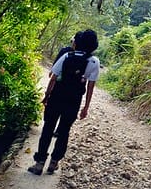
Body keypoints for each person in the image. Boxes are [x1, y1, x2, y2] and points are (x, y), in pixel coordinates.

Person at [28, 29, 100, 175]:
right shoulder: (94, 62)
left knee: (48, 129)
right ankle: (54, 163)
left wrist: (47, 96)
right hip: (73, 101)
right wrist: (85, 107)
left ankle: (39, 163)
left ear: (77, 42)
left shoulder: (67, 55)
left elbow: (53, 78)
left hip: (57, 97)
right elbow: (90, 87)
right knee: (64, 131)